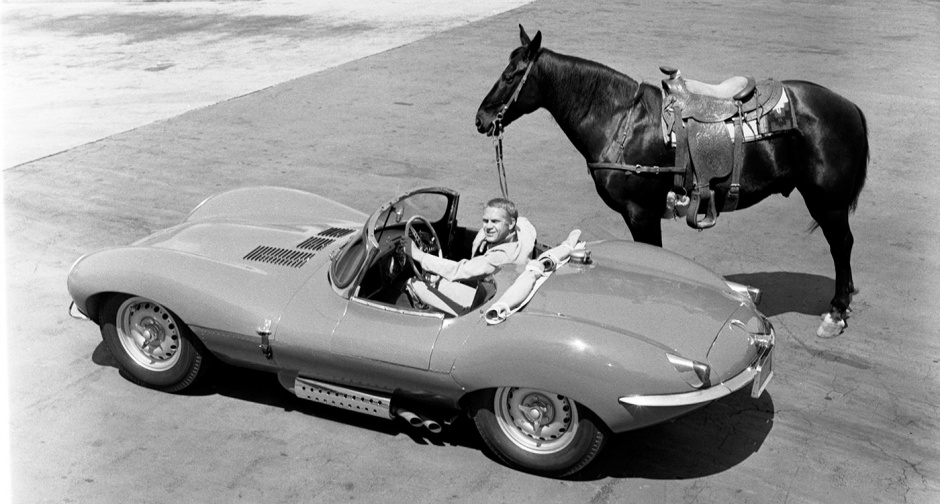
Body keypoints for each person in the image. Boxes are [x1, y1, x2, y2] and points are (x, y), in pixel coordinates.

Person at [405, 198, 536, 315]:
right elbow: (524, 221)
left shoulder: (500, 257)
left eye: (495, 221)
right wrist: (485, 232)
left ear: (511, 223)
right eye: (485, 221)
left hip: (478, 311)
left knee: (412, 283)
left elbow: (458, 270)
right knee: (431, 278)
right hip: (492, 295)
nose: (488, 227)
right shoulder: (526, 235)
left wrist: (419, 255)